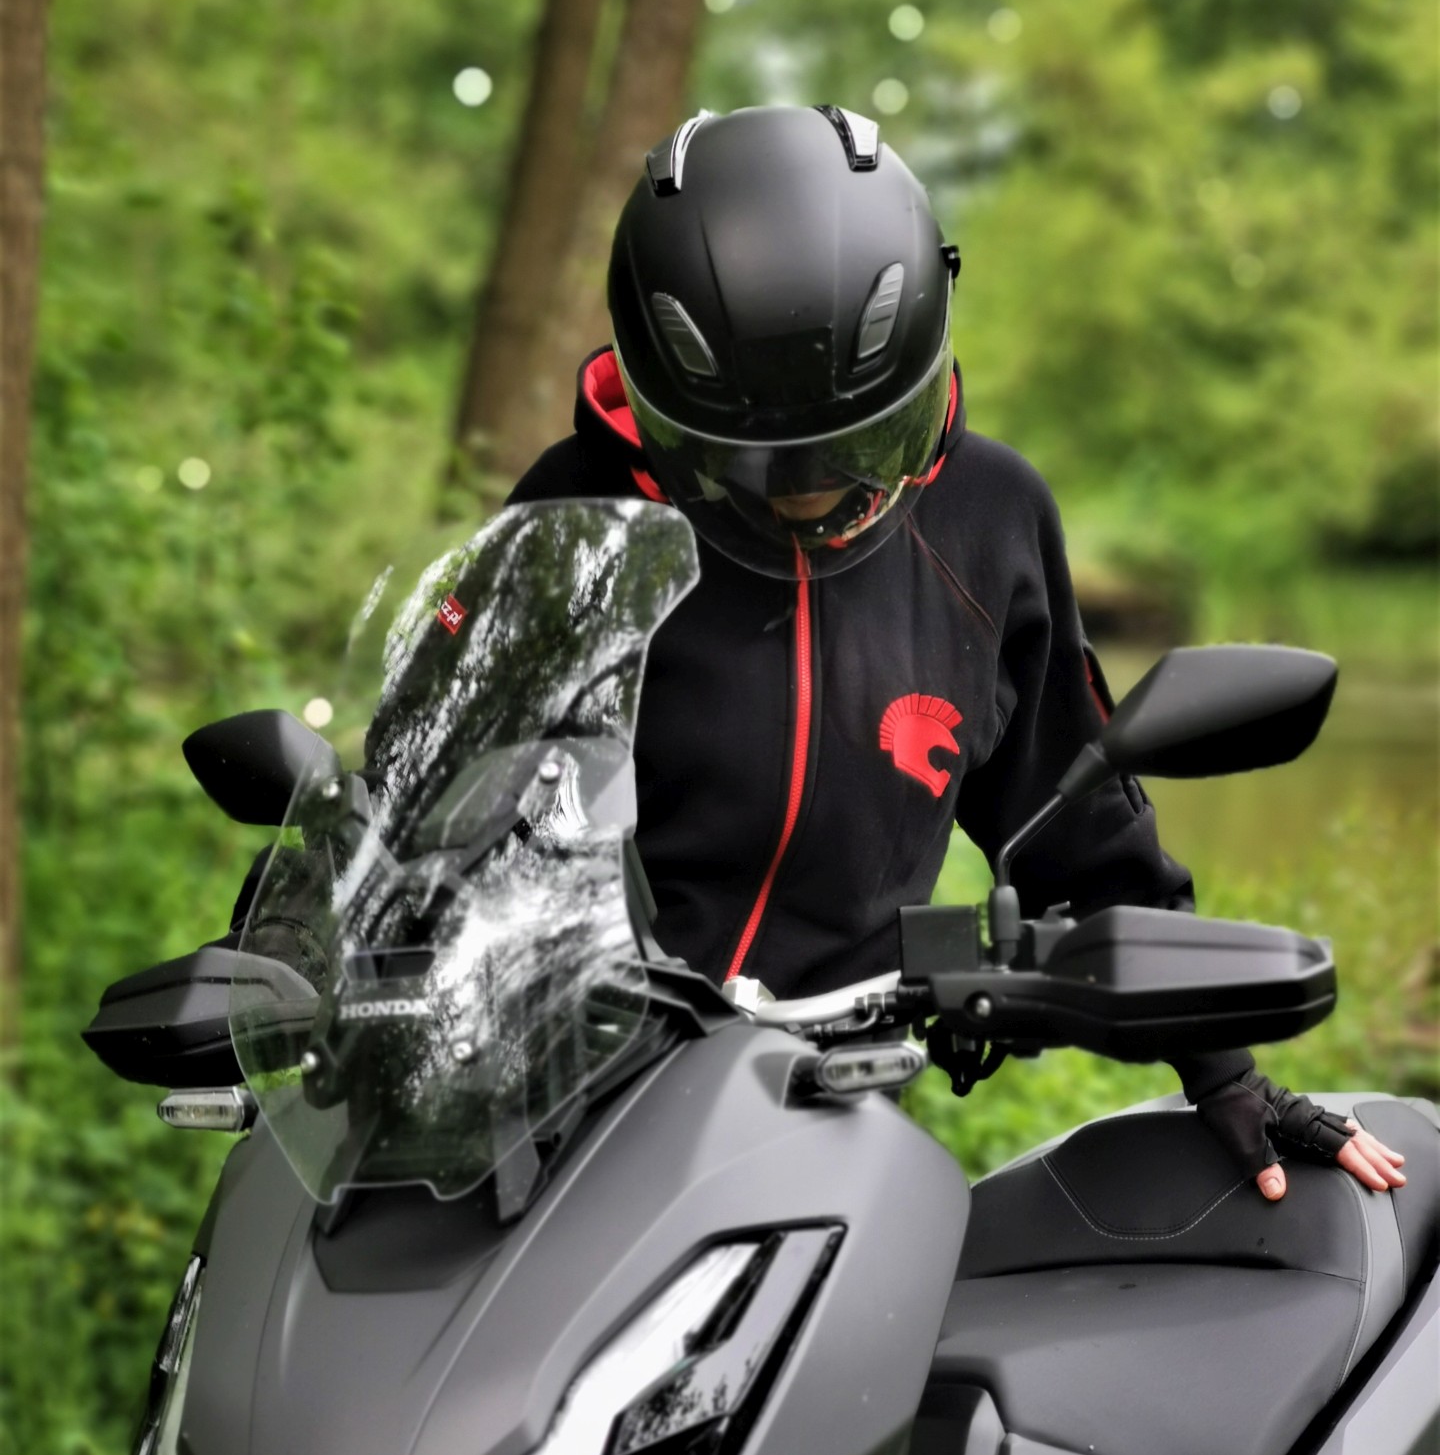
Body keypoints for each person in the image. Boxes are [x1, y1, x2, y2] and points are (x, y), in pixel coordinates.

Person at [506, 102, 1405, 1205]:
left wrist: (1223, 1068)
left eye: (854, 446)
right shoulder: (573, 521)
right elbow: (443, 806)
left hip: (816, 1123)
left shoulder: (988, 517)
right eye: (756, 466)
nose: (810, 495)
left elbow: (1073, 814)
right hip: (558, 1116)